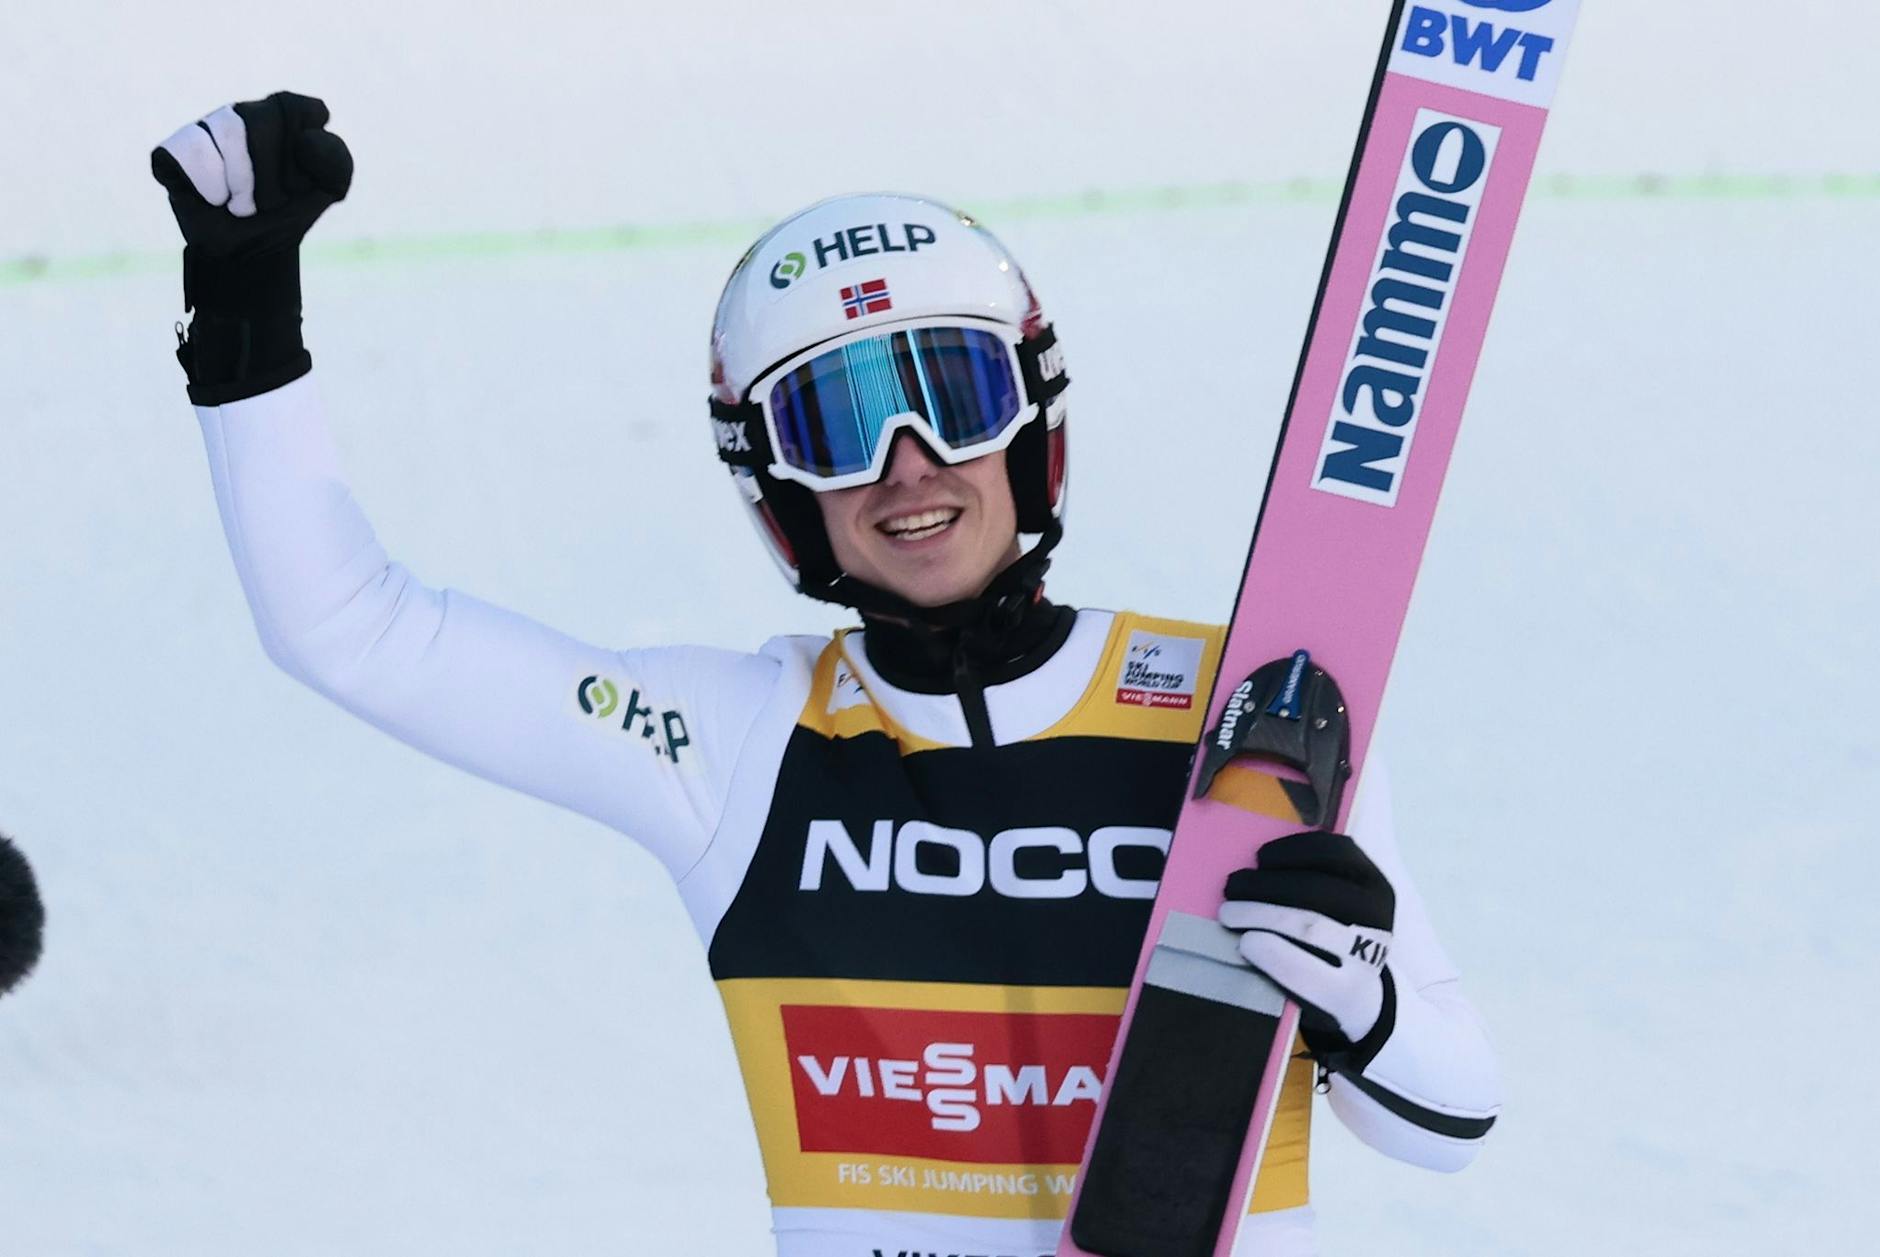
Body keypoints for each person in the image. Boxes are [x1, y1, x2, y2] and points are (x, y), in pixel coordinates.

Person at [152, 92, 1501, 1257]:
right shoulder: (732, 742)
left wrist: (1368, 1010)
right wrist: (247, 319)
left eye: (954, 396)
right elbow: (352, 627)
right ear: (777, 485)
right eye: (835, 422)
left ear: (1031, 421)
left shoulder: (1242, 714)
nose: (908, 464)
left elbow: (1449, 1117)